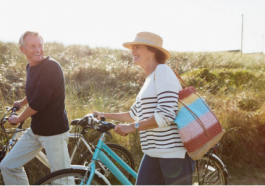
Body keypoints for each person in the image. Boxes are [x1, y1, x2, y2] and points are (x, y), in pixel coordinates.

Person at [93, 32, 196, 185]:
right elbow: (133, 114)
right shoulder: (149, 80)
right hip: (152, 153)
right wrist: (102, 114)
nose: (132, 52)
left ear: (152, 50)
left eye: (137, 47)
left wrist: (132, 127)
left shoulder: (163, 72)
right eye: (132, 48)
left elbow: (166, 115)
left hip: (172, 154)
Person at [0, 31, 74, 185]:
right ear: (22, 49)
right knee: (8, 166)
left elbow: (39, 101)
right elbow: (37, 91)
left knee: (62, 181)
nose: (38, 50)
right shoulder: (31, 66)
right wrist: (22, 102)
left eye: (40, 45)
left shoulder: (51, 67)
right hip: (36, 130)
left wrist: (18, 118)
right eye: (33, 46)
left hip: (55, 132)